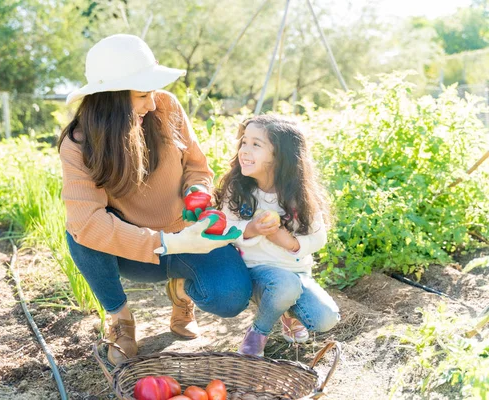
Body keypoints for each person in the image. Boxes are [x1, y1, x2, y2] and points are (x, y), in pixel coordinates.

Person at [58, 34, 252, 365]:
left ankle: (180, 293)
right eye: (142, 95)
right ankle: (121, 320)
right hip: (134, 251)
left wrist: (197, 193)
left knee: (231, 296)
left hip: (188, 238)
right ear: (111, 99)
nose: (151, 102)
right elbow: (88, 222)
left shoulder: (165, 107)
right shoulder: (78, 145)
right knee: (79, 234)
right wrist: (165, 242)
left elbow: (196, 166)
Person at [215, 114, 340, 357]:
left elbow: (318, 238)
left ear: (279, 155)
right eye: (244, 142)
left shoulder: (300, 194)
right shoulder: (239, 188)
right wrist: (251, 229)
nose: (245, 150)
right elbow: (224, 228)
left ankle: (286, 310)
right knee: (284, 285)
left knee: (325, 318)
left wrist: (288, 242)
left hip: (296, 273)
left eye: (256, 144)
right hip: (254, 272)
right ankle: (257, 334)